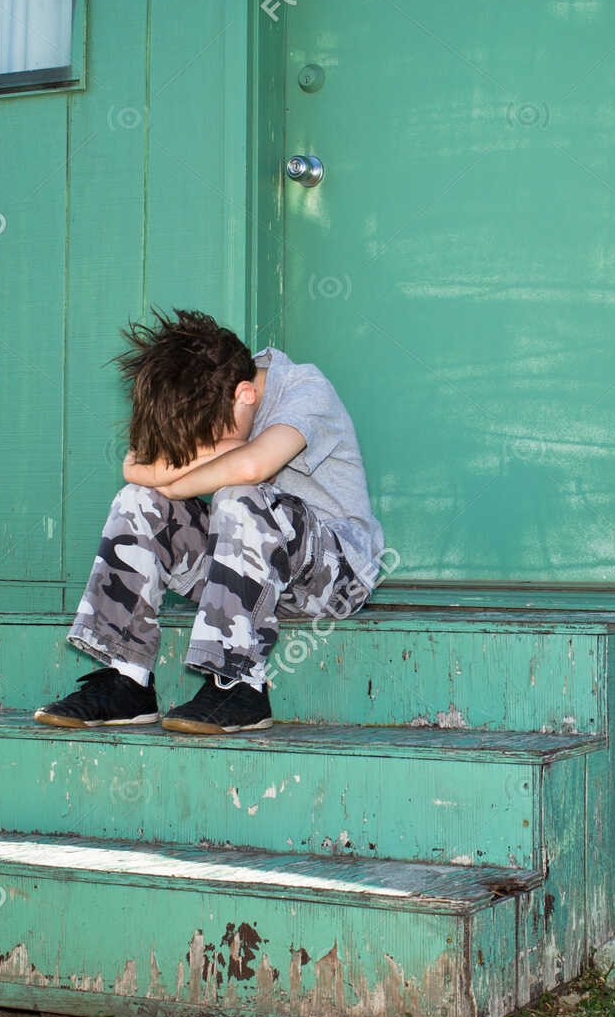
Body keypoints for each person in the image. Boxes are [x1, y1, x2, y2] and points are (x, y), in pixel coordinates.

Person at [35, 309, 385, 733]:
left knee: (240, 494)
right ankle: (127, 678)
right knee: (137, 500)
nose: (205, 448)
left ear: (246, 395)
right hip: (244, 572)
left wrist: (177, 477)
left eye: (211, 436)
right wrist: (175, 471)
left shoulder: (306, 390)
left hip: (331, 580)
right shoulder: (201, 386)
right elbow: (135, 466)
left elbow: (254, 465)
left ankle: (238, 683)